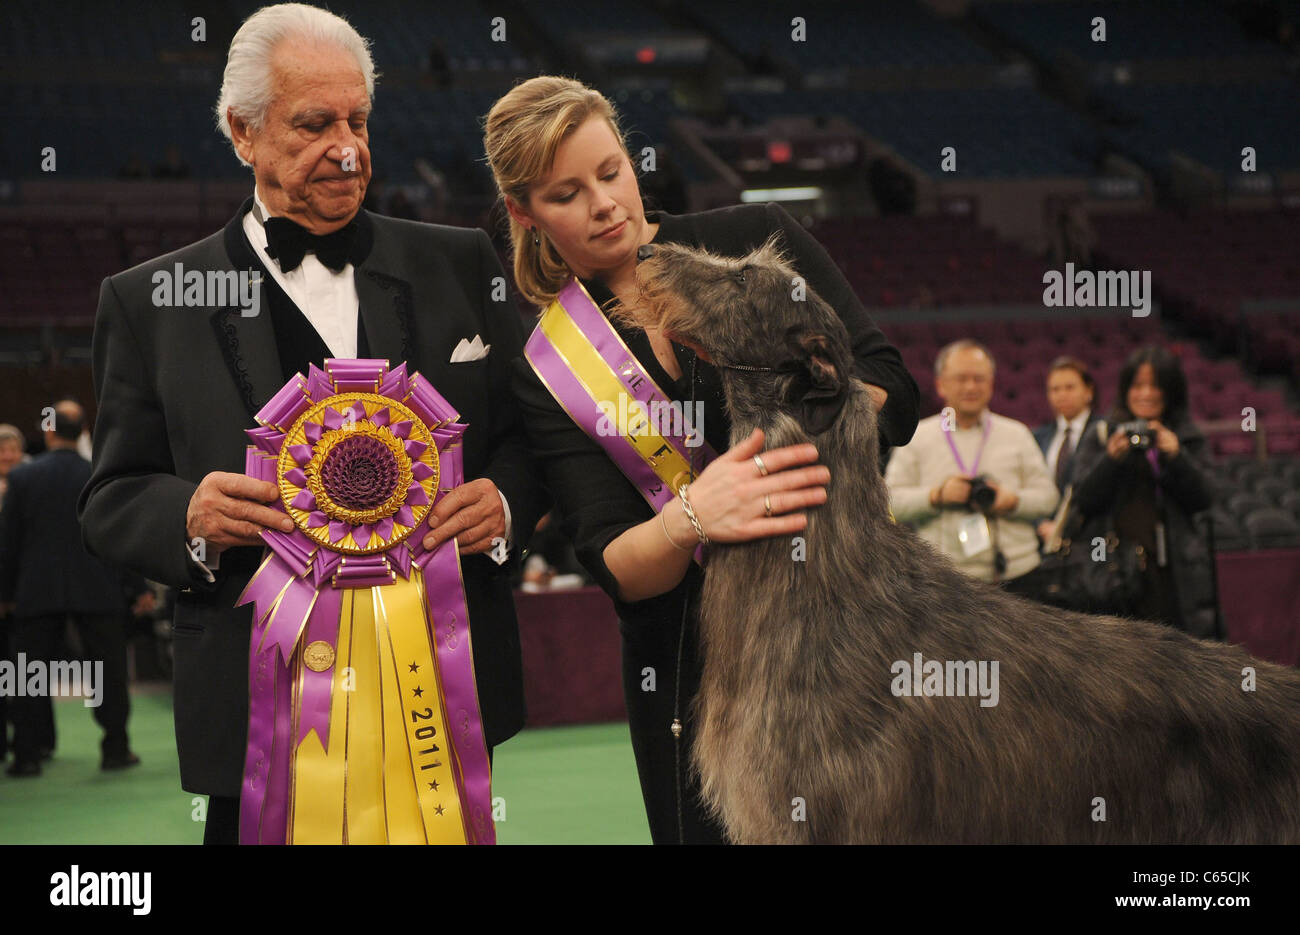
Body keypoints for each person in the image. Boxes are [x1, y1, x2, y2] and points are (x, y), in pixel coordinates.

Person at [78, 4, 547, 843]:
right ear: (242, 131)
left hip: (439, 713)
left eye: (359, 120)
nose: (347, 147)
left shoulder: (460, 262)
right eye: (314, 123)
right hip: (254, 722)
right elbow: (110, 497)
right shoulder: (147, 300)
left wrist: (504, 505)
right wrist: (188, 517)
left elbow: (528, 440)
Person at [484, 75, 920, 844]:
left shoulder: (755, 240)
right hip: (691, 669)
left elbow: (894, 392)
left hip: (844, 623)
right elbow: (619, 563)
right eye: (566, 194)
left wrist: (788, 423)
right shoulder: (547, 362)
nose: (605, 204)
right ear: (525, 213)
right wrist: (692, 516)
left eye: (612, 171)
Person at [0, 402, 148, 776]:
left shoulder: (22, 479)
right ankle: (116, 748)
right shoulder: (98, 476)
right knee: (107, 673)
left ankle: (27, 755)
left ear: (49, 433)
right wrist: (137, 587)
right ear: (82, 431)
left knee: (28, 673)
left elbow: (9, 544)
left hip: (37, 590)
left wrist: (5, 595)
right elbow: (119, 538)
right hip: (97, 588)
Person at [1069, 346, 1218, 637]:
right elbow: (1082, 500)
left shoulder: (1187, 436)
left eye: (1156, 386)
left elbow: (1205, 499)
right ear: (1125, 389)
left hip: (1173, 574)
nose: (1146, 394)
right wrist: (1110, 460)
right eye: (1138, 386)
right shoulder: (1101, 435)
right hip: (1113, 573)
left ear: (1171, 391)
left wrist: (1177, 457)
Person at [885, 340, 1059, 589]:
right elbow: (889, 502)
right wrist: (936, 496)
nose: (971, 386)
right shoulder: (916, 437)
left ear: (991, 384)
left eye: (979, 379)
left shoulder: (1017, 433)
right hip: (943, 579)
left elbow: (1049, 498)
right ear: (940, 385)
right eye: (961, 378)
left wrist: (1012, 502)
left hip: (1018, 575)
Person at [1031, 356, 1102, 544]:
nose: (1062, 395)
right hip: (1044, 538)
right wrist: (1040, 524)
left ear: (1088, 391)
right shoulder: (1038, 437)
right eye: (1055, 389)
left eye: (1070, 387)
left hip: (1090, 537)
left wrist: (1064, 526)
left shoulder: (1104, 432)